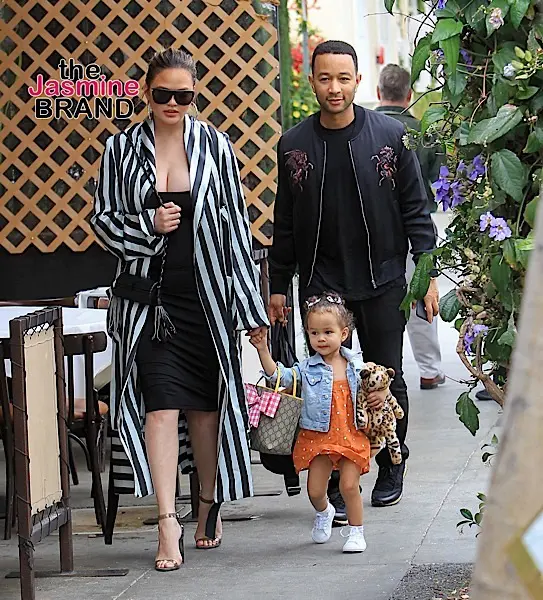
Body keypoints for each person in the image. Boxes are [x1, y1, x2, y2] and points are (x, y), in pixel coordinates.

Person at [91, 48, 268, 571]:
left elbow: (236, 229)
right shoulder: (120, 149)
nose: (173, 103)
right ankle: (167, 522)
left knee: (206, 410)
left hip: (206, 300)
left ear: (194, 96)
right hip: (148, 304)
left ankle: (207, 503)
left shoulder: (215, 145)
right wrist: (147, 227)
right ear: (146, 92)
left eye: (183, 95)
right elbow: (103, 220)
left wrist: (250, 309)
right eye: (163, 93)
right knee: (160, 407)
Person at [268, 40, 439, 517]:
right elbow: (286, 221)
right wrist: (278, 284)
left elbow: (416, 209)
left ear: (358, 81)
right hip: (323, 286)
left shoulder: (390, 135)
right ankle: (340, 477)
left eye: (343, 78)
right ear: (312, 81)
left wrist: (426, 274)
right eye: (325, 78)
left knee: (384, 377)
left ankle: (391, 463)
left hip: (382, 278)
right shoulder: (294, 144)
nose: (334, 88)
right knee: (327, 386)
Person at [251, 292, 389, 552]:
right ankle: (325, 511)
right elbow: (280, 377)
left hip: (352, 434)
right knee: (315, 491)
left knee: (349, 486)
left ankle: (356, 532)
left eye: (328, 332)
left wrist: (381, 393)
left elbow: (380, 381)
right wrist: (262, 350)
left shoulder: (357, 365)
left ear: (344, 334)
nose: (321, 339)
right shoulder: (306, 369)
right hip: (319, 437)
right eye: (314, 333)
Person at [375, 64, 445, 391]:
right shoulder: (423, 133)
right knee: (421, 295)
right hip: (417, 225)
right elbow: (439, 179)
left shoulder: (366, 129)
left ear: (379, 92)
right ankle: (429, 369)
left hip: (376, 228)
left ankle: (378, 368)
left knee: (376, 298)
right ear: (410, 95)